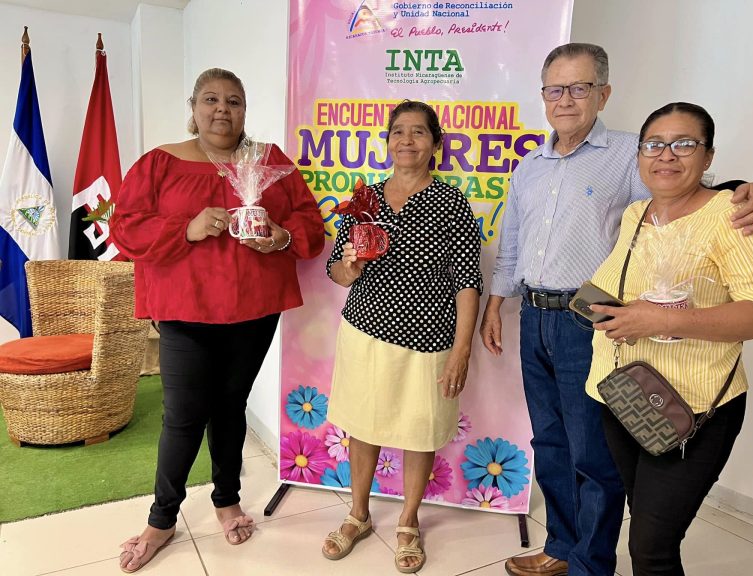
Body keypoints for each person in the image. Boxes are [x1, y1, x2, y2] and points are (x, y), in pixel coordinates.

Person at [479, 43, 753, 576]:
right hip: (538, 318)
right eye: (555, 89)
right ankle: (562, 547)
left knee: (595, 457)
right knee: (550, 441)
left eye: (580, 87)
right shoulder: (530, 166)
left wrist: (748, 191)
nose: (566, 99)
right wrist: (497, 303)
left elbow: (685, 199)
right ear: (543, 97)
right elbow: (513, 242)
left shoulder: (627, 155)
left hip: (594, 323)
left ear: (603, 93)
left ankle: (591, 562)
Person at [111, 68, 325, 573]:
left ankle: (226, 499)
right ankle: (162, 520)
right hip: (185, 310)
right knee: (183, 415)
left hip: (254, 309)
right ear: (194, 106)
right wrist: (184, 227)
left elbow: (310, 224)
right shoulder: (159, 163)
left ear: (245, 109)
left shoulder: (270, 162)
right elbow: (124, 226)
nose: (221, 109)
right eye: (210, 99)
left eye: (233, 100)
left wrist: (278, 236)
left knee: (232, 406)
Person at [586, 102, 753, 576]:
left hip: (695, 406)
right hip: (624, 393)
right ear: (640, 154)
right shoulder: (636, 213)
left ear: (708, 157)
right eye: (654, 144)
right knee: (646, 524)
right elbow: (622, 287)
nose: (666, 155)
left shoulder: (735, 216)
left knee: (651, 547)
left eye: (684, 144)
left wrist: (660, 320)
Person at [320, 100, 483, 573]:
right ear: (387, 141)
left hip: (430, 338)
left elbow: (467, 280)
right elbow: (336, 271)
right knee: (363, 422)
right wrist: (350, 267)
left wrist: (462, 350)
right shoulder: (363, 199)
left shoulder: (451, 202)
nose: (406, 140)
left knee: (419, 428)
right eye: (398, 132)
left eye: (418, 132)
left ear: (436, 143)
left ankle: (408, 521)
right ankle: (358, 514)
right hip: (365, 331)